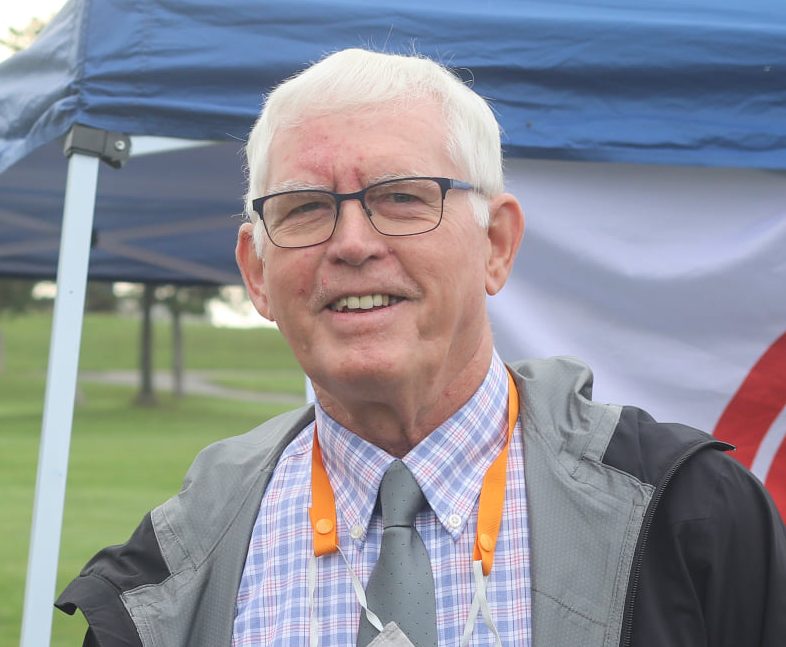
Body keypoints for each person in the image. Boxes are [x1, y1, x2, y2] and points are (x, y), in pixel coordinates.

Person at [56, 48, 786, 647]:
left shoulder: (692, 519)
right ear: (256, 273)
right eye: (305, 208)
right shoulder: (172, 571)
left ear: (496, 245)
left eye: (402, 196)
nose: (352, 243)